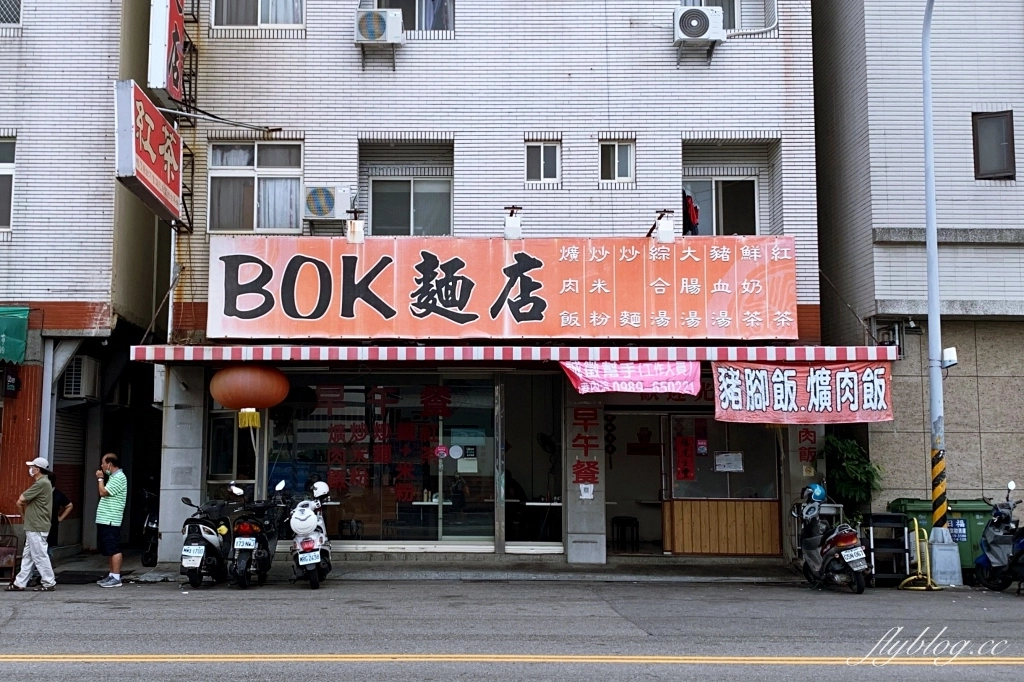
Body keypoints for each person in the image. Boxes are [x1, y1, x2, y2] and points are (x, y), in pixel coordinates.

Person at [6, 458, 56, 592]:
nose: (30, 469)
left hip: (36, 525)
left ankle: (48, 581)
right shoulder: (45, 482)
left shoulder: (41, 483)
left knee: (39, 555)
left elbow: (21, 500)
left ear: (37, 469)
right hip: (35, 525)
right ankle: (20, 582)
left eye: (32, 467)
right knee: (28, 555)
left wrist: (24, 516)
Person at [95, 453, 127, 588]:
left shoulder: (119, 477)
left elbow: (103, 492)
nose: (101, 466)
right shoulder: (114, 477)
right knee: (109, 548)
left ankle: (116, 577)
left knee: (114, 547)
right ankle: (112, 575)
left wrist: (100, 479)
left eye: (103, 463)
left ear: (109, 464)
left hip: (111, 518)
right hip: (105, 518)